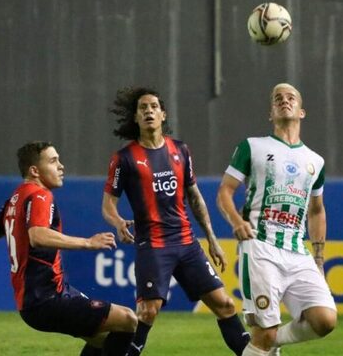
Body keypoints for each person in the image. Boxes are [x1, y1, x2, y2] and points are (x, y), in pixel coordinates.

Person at [102, 87, 250, 355]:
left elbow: (194, 197)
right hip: (154, 245)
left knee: (226, 304)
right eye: (142, 108)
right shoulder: (124, 158)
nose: (148, 111)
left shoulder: (180, 151)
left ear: (163, 114)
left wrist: (212, 240)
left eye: (153, 107)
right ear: (135, 117)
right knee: (148, 311)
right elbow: (108, 205)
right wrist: (118, 221)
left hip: (186, 243)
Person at [0, 141, 137, 356]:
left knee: (105, 341)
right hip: (48, 299)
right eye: (53, 161)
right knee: (128, 319)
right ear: (35, 170)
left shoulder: (14, 200)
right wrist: (88, 242)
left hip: (35, 302)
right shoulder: (39, 195)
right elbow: (38, 236)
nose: (61, 166)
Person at [216, 83, 338, 356]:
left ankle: (271, 342)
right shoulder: (253, 147)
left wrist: (318, 259)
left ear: (302, 111)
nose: (284, 100)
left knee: (325, 320)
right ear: (271, 113)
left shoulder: (315, 161)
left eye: (291, 97)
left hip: (297, 252)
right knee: (263, 333)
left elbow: (317, 211)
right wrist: (236, 221)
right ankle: (266, 341)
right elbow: (224, 191)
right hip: (260, 247)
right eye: (277, 99)